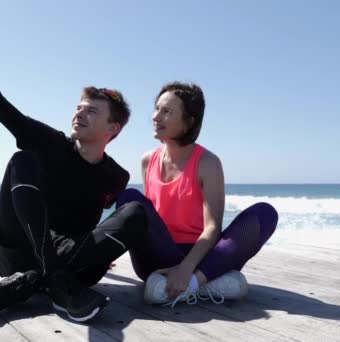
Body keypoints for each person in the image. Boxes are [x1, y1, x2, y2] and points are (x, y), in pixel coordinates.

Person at [0, 21, 149, 322]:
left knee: (136, 212)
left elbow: (96, 227)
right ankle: (55, 279)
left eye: (91, 110)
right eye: (79, 107)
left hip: (65, 256)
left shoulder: (116, 177)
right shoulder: (49, 142)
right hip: (18, 251)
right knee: (22, 160)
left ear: (113, 128)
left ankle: (33, 282)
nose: (79, 113)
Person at [116, 82, 279, 307]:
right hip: (158, 257)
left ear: (189, 121)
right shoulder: (148, 160)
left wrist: (186, 269)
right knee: (129, 199)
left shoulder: (208, 163)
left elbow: (212, 227)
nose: (156, 117)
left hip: (201, 255)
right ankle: (209, 282)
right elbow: (146, 220)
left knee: (265, 213)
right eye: (156, 109)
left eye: (167, 111)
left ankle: (191, 284)